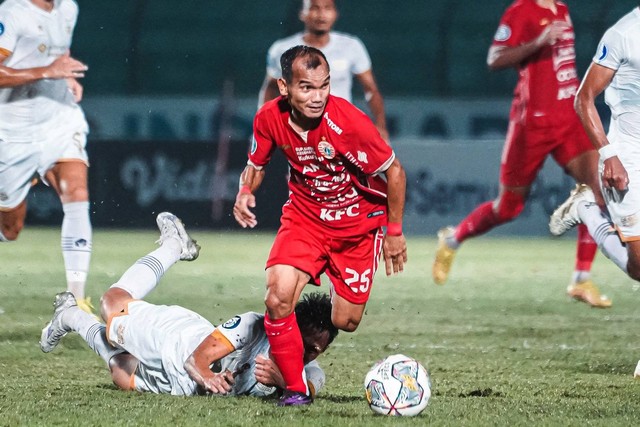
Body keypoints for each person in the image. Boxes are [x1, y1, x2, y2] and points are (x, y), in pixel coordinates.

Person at [233, 45, 407, 406]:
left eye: (324, 86)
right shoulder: (268, 118)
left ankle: (317, 306)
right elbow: (257, 164)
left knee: (346, 321)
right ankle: (296, 389)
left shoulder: (349, 122)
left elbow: (395, 172)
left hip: (358, 228)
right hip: (306, 218)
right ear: (284, 87)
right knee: (277, 296)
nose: (317, 97)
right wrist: (245, 190)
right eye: (306, 88)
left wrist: (393, 233)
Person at [40, 212, 339, 397]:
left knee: (120, 370)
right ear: (290, 328)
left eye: (318, 350)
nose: (310, 355)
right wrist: (208, 375)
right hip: (174, 341)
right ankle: (174, 246)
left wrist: (284, 382)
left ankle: (69, 315)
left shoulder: (311, 374)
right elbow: (195, 361)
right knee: (112, 305)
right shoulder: (253, 325)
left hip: (182, 389)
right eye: (307, 344)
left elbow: (307, 392)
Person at [432, 0, 611, 308]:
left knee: (599, 188)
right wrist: (538, 41)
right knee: (508, 208)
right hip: (533, 124)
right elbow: (494, 58)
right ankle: (452, 238)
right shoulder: (521, 11)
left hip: (568, 118)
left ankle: (581, 279)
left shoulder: (560, 7)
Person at [0, 0, 94, 313]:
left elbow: (58, 53)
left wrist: (65, 76)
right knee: (10, 230)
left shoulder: (69, 8)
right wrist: (47, 71)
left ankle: (75, 300)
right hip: (14, 130)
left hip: (59, 119)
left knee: (77, 192)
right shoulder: (13, 13)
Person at [550, 4, 640, 314]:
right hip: (627, 156)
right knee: (638, 268)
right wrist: (609, 154)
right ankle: (586, 209)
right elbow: (583, 97)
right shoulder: (624, 35)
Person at [259, 0, 388, 140]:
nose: (321, 14)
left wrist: (380, 125)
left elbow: (370, 89)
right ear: (302, 13)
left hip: (342, 131)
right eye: (314, 8)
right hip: (300, 135)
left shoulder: (351, 46)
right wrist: (262, 129)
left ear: (335, 13)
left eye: (327, 8)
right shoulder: (282, 49)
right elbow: (270, 89)